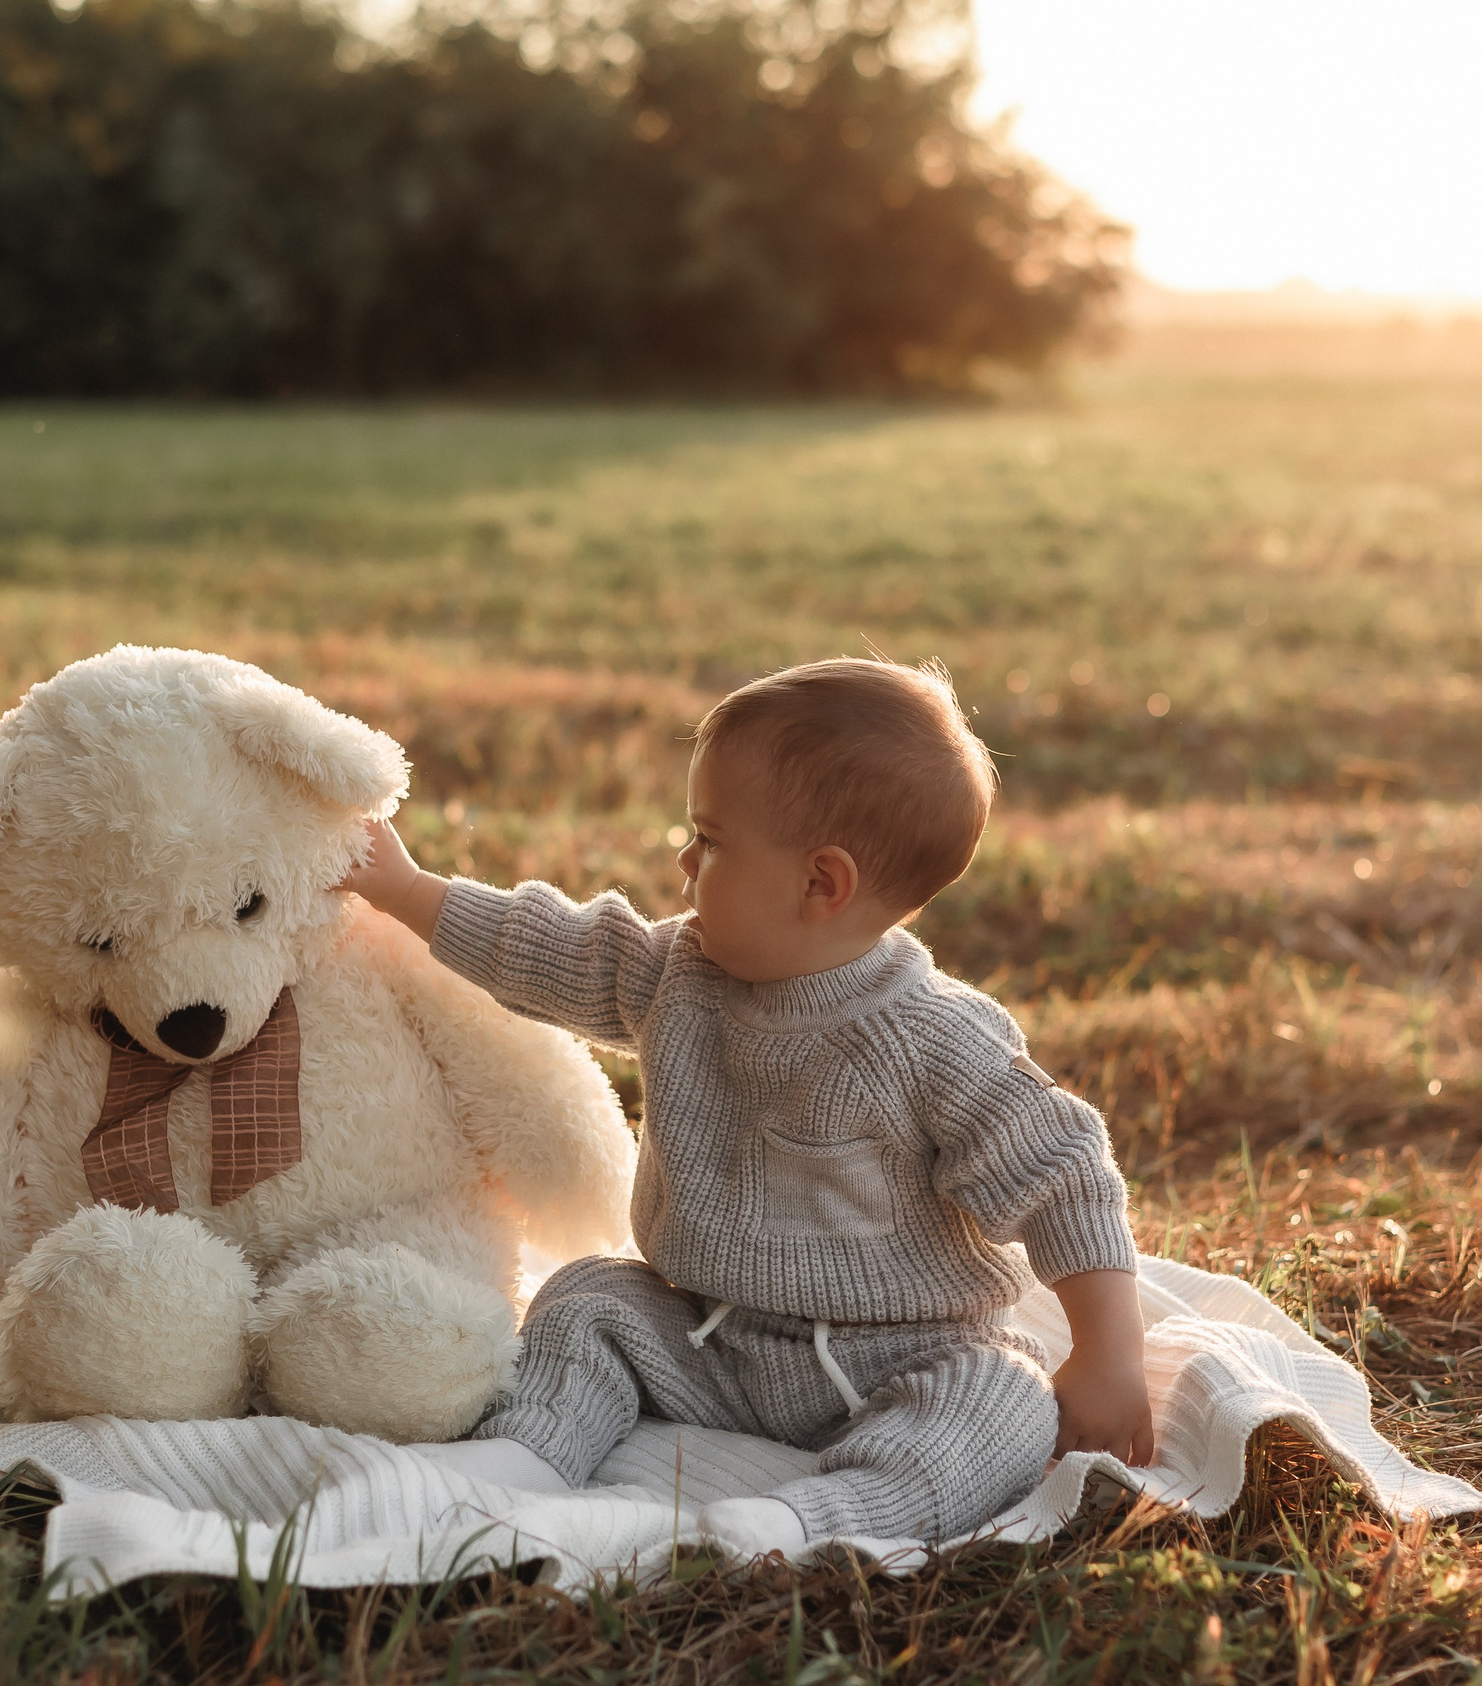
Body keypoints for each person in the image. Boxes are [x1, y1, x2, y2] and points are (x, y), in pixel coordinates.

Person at [339, 657, 1152, 1555]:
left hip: (902, 1358)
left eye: (711, 840)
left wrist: (1108, 1354)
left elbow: (1063, 1173)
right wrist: (408, 891)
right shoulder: (678, 972)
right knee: (590, 1298)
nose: (684, 861)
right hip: (712, 1336)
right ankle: (529, 1456)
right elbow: (559, 949)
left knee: (1003, 1404)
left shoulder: (933, 1040)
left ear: (821, 883)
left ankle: (815, 1522)